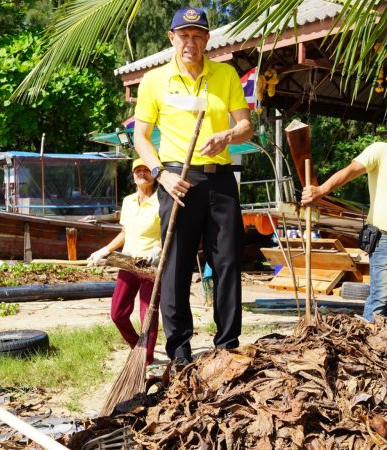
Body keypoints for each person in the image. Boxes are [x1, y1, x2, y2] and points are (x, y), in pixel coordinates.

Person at [133, 6, 253, 367]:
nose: (191, 42)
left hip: (220, 177)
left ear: (207, 40)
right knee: (176, 264)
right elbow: (139, 135)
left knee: (228, 260)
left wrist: (228, 135)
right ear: (172, 39)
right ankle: (180, 349)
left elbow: (246, 126)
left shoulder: (225, 74)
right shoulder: (154, 79)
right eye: (184, 36)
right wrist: (160, 173)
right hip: (176, 178)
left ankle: (228, 343)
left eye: (198, 36)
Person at [302, 112, 387, 322]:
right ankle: (371, 348)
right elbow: (350, 171)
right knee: (380, 299)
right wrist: (321, 190)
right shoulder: (381, 151)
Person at [88, 159, 162, 364]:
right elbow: (125, 232)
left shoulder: (161, 200)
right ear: (133, 176)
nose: (141, 174)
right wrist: (105, 250)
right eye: (137, 171)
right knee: (117, 313)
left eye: (146, 170)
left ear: (154, 174)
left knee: (148, 315)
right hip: (128, 262)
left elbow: (168, 231)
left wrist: (157, 249)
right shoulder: (128, 201)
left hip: (150, 265)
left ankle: (146, 359)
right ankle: (137, 347)